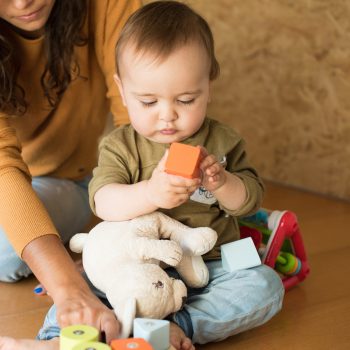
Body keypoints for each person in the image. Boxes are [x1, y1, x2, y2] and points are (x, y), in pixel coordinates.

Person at [31, 1, 284, 350]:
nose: (167, 117)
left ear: (208, 86)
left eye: (185, 99)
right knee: (84, 285)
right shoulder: (121, 145)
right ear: (122, 91)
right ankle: (61, 339)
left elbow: (249, 201)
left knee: (265, 286)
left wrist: (223, 183)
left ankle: (173, 326)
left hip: (208, 266)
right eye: (148, 102)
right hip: (133, 265)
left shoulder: (223, 141)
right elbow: (103, 201)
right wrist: (151, 193)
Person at [0, 0, 140, 347]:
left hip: (65, 179)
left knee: (4, 249)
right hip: (9, 182)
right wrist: (67, 283)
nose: (22, 2)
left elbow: (137, 115)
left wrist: (71, 287)